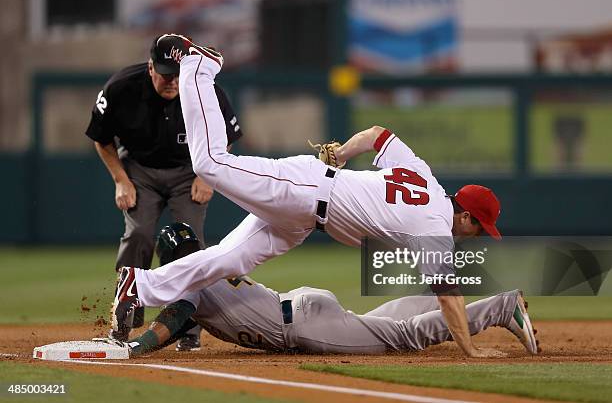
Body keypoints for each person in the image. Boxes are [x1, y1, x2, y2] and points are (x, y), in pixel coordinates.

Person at [112, 34, 510, 358]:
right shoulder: (435, 226)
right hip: (305, 189)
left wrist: (344, 153)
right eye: (480, 229)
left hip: (303, 217)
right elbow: (450, 297)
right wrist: (469, 349)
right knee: (210, 163)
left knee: (227, 259)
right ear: (467, 217)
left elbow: (376, 135)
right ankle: (200, 67)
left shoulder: (424, 175)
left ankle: (138, 284)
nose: (476, 235)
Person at [110, 223, 538, 357]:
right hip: (302, 307)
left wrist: (135, 347)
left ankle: (499, 308)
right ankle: (438, 300)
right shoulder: (209, 265)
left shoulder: (188, 278)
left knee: (401, 338)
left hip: (301, 327)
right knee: (378, 324)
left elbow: (175, 317)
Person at [86, 34, 243, 349]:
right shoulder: (121, 88)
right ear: (150, 67)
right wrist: (120, 179)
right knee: (139, 234)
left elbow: (225, 135)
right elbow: (101, 138)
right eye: (165, 73)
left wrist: (209, 177)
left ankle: (188, 326)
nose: (172, 80)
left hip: (190, 171)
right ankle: (124, 319)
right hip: (140, 170)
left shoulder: (203, 89)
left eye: (177, 73)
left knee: (190, 242)